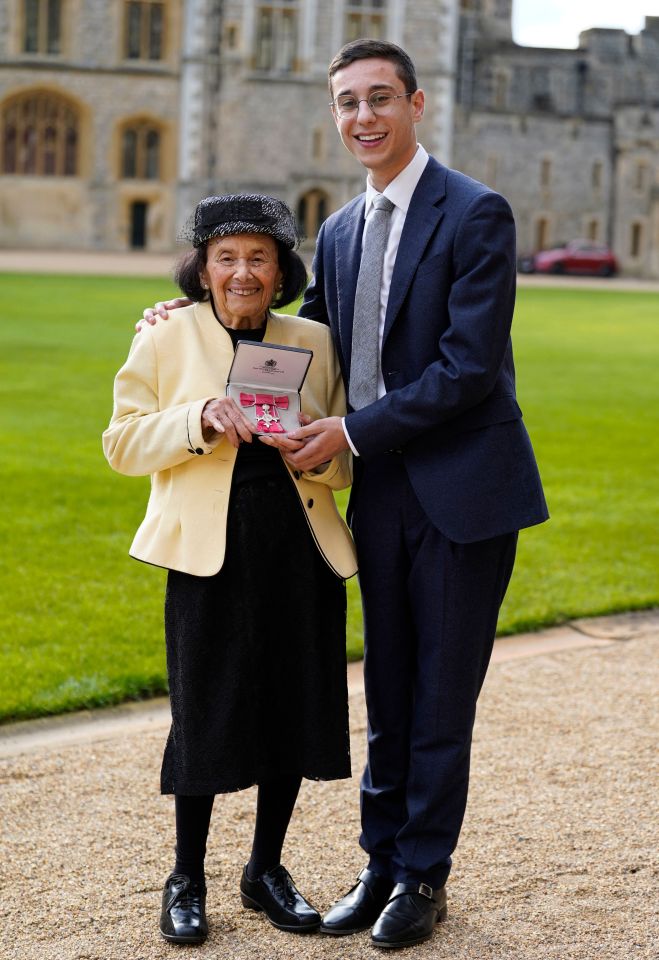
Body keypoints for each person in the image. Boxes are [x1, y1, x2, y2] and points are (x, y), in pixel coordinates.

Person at [139, 39, 549, 951]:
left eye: (378, 100)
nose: (362, 118)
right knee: (389, 693)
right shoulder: (340, 229)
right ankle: (378, 861)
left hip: (461, 491)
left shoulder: (475, 212)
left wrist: (352, 432)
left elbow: (468, 368)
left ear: (414, 104)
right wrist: (187, 313)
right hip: (377, 493)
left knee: (440, 697)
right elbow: (299, 331)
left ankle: (423, 876)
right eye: (347, 104)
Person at [103, 194, 357, 946]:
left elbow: (341, 469)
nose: (242, 272)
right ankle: (186, 874)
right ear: (203, 267)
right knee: (206, 710)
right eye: (226, 258)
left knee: (294, 707)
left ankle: (264, 870)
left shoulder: (314, 338)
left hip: (300, 550)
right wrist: (200, 418)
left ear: (280, 269)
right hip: (207, 556)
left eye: (257, 258)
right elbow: (120, 444)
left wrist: (314, 444)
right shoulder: (165, 335)